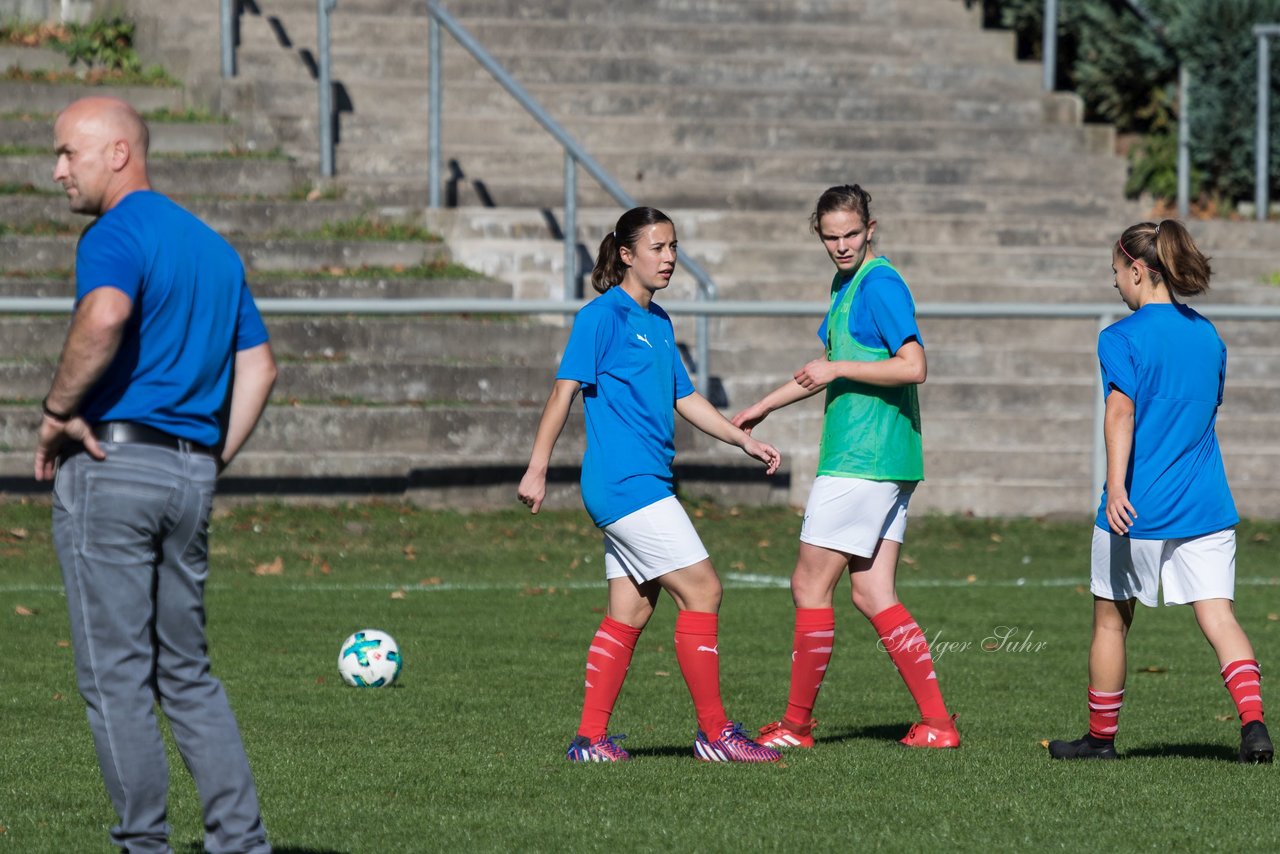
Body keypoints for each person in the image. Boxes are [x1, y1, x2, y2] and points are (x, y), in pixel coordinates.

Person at [34, 96, 277, 852]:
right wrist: (208, 459)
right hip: (188, 477)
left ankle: (143, 845)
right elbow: (261, 369)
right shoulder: (213, 248)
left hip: (111, 468)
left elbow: (104, 317)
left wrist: (56, 408)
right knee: (187, 674)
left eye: (69, 153)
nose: (57, 171)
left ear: (117, 153)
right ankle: (240, 843)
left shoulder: (116, 232)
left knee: (115, 677)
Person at [518, 206, 783, 763]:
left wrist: (741, 439)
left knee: (631, 611)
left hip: (645, 481)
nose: (669, 258)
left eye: (674, 246)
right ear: (626, 254)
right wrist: (537, 466)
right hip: (625, 483)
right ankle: (714, 732)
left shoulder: (659, 322)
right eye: (658, 248)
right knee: (705, 590)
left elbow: (683, 398)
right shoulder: (601, 317)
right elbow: (562, 393)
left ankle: (590, 741)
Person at [731, 184, 958, 751]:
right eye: (830, 237)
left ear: (870, 228)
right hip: (890, 459)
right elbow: (825, 368)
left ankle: (796, 726)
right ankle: (938, 724)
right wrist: (763, 406)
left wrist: (838, 371)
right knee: (873, 592)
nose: (840, 245)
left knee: (809, 584)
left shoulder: (878, 283)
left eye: (850, 234)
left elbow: (914, 366)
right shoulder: (846, 284)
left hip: (863, 458)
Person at [1048, 220, 1272, 763]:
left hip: (1138, 509)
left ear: (1139, 271)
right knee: (1219, 618)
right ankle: (1255, 726)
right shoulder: (1209, 336)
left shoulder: (1120, 337)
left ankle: (1100, 741)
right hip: (1207, 507)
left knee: (1110, 620)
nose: (1115, 284)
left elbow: (1121, 410)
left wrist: (1118, 487)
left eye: (1116, 273)